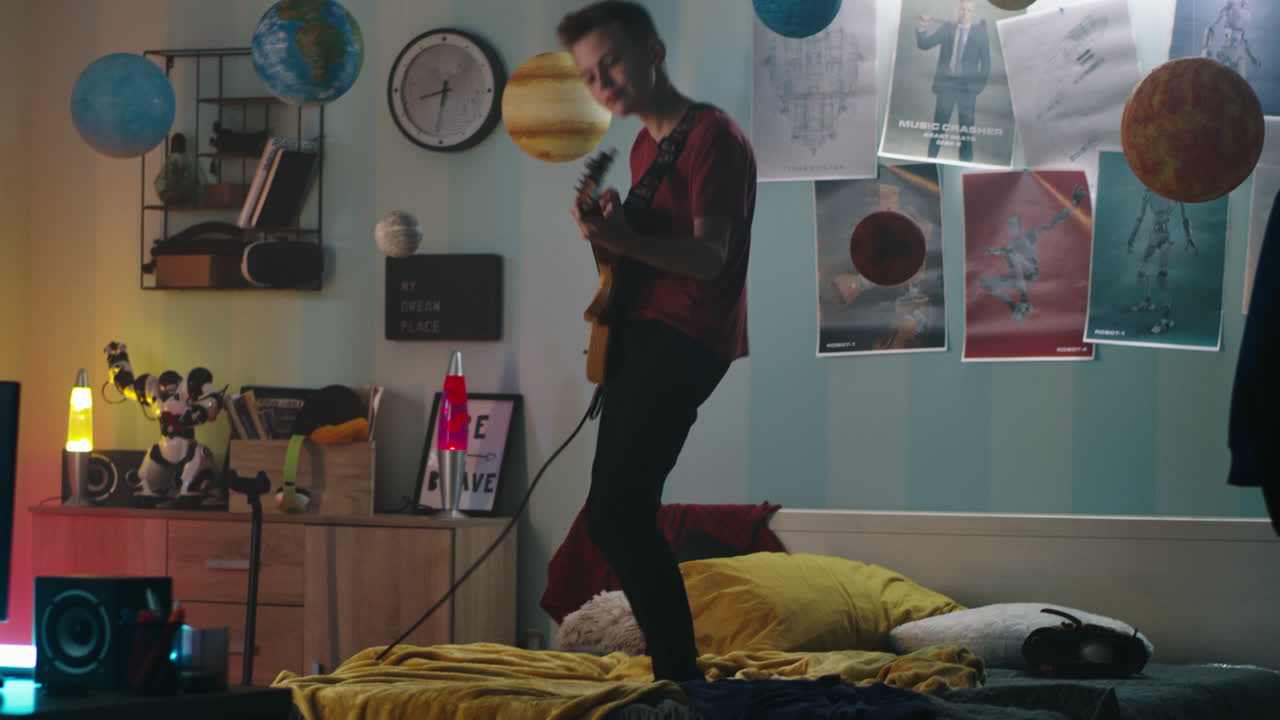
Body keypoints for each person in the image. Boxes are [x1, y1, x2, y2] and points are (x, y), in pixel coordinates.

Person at [557, 1, 757, 683]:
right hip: (643, 334)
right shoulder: (646, 148)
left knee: (617, 511)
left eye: (611, 61)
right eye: (589, 75)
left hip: (686, 336)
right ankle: (675, 672)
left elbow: (710, 257)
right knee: (614, 514)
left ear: (653, 51)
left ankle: (679, 677)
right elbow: (638, 261)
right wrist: (606, 237)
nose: (602, 83)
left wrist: (626, 237)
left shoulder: (713, 137)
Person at [979, 185, 1085, 325]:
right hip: (1020, 280)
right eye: (1009, 225)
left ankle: (1024, 299)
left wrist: (1073, 205)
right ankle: (1013, 307)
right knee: (985, 282)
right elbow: (1002, 250)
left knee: (1011, 254)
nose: (1011, 227)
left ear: (1019, 225)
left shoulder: (1030, 234)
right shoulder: (1011, 243)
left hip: (1030, 274)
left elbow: (1054, 221)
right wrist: (991, 251)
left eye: (1013, 224)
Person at [916, 0, 990, 162]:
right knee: (938, 129)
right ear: (958, 10)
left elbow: (986, 64)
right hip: (946, 86)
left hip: (967, 90)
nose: (965, 13)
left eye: (968, 11)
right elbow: (924, 44)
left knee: (966, 134)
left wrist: (977, 88)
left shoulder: (980, 33)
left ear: (973, 13)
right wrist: (922, 26)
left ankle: (966, 168)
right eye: (962, 9)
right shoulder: (947, 28)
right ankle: (930, 162)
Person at [1126, 188, 1196, 334]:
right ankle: (1147, 301)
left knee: (1161, 277)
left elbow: (1185, 218)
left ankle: (1166, 319)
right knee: (1141, 270)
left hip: (1168, 236)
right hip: (1154, 235)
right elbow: (1139, 217)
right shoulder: (1148, 192)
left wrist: (1189, 237)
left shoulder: (1176, 191)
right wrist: (1131, 237)